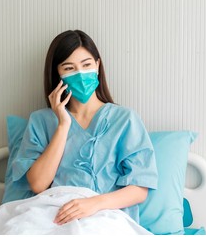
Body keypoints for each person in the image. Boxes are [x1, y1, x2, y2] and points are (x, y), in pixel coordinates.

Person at [12, 30, 158, 226]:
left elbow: (140, 188)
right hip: (52, 214)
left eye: (86, 65)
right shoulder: (41, 121)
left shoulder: (124, 120)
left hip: (105, 215)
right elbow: (38, 184)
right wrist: (63, 125)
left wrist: (94, 204)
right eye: (69, 68)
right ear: (58, 73)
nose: (80, 74)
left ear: (97, 66)